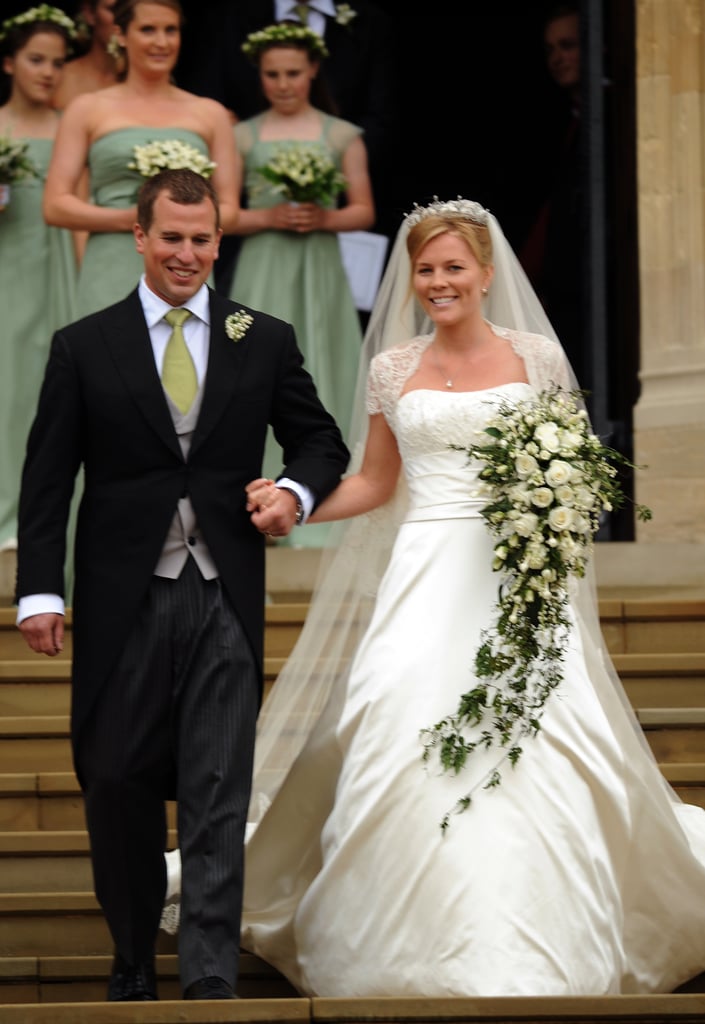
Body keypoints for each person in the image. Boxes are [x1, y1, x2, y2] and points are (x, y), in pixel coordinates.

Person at [162, 196, 705, 996]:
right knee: (392, 713)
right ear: (411, 279)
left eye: (454, 267)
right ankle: (386, 941)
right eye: (425, 269)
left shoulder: (536, 360)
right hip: (424, 567)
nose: (439, 281)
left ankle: (545, 940)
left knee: (545, 738)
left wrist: (550, 516)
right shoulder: (392, 367)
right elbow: (377, 482)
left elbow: (580, 479)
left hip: (514, 575)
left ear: (486, 274)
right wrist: (293, 500)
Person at [15, 167, 349, 1002]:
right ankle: (133, 955)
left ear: (218, 242)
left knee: (215, 784)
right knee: (118, 778)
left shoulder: (259, 336)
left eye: (202, 240)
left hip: (222, 592)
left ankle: (206, 974)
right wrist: (39, 591)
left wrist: (292, 493)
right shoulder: (85, 345)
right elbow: (48, 480)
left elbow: (320, 444)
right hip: (122, 595)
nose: (187, 254)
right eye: (171, 237)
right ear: (139, 236)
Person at [228, 22, 375, 547]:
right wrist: (269, 216)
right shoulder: (241, 134)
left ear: (313, 69)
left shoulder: (341, 134)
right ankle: (258, 495)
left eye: (293, 72)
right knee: (251, 370)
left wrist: (321, 218)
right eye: (272, 74)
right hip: (264, 262)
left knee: (322, 358)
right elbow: (223, 211)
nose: (283, 83)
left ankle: (319, 498)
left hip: (319, 268)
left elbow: (363, 209)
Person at [42, 0, 240, 319]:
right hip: (109, 263)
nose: (161, 42)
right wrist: (138, 219)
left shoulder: (210, 113)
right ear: (121, 34)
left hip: (184, 265)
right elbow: (55, 205)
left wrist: (179, 222)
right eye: (148, 29)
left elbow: (230, 212)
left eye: (170, 30)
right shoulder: (87, 108)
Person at [0, 5, 77, 556]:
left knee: (48, 392)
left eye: (56, 62)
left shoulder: (69, 125)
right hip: (8, 267)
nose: (47, 72)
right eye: (35, 60)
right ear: (9, 62)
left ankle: (47, 519)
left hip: (57, 272)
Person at [51, 0, 119, 111]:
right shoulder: (59, 79)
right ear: (90, 14)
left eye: (127, 10)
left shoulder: (146, 78)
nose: (121, 19)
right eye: (112, 9)